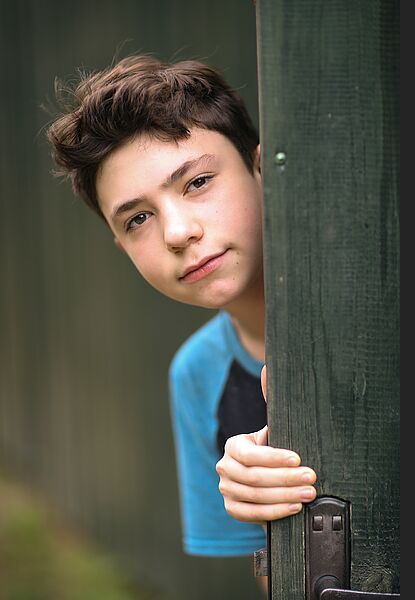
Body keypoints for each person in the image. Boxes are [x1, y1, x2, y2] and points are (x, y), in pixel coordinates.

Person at [47, 54, 317, 561]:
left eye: (196, 183)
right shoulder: (197, 375)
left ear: (262, 170)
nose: (176, 233)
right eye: (138, 219)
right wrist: (267, 519)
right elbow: (271, 582)